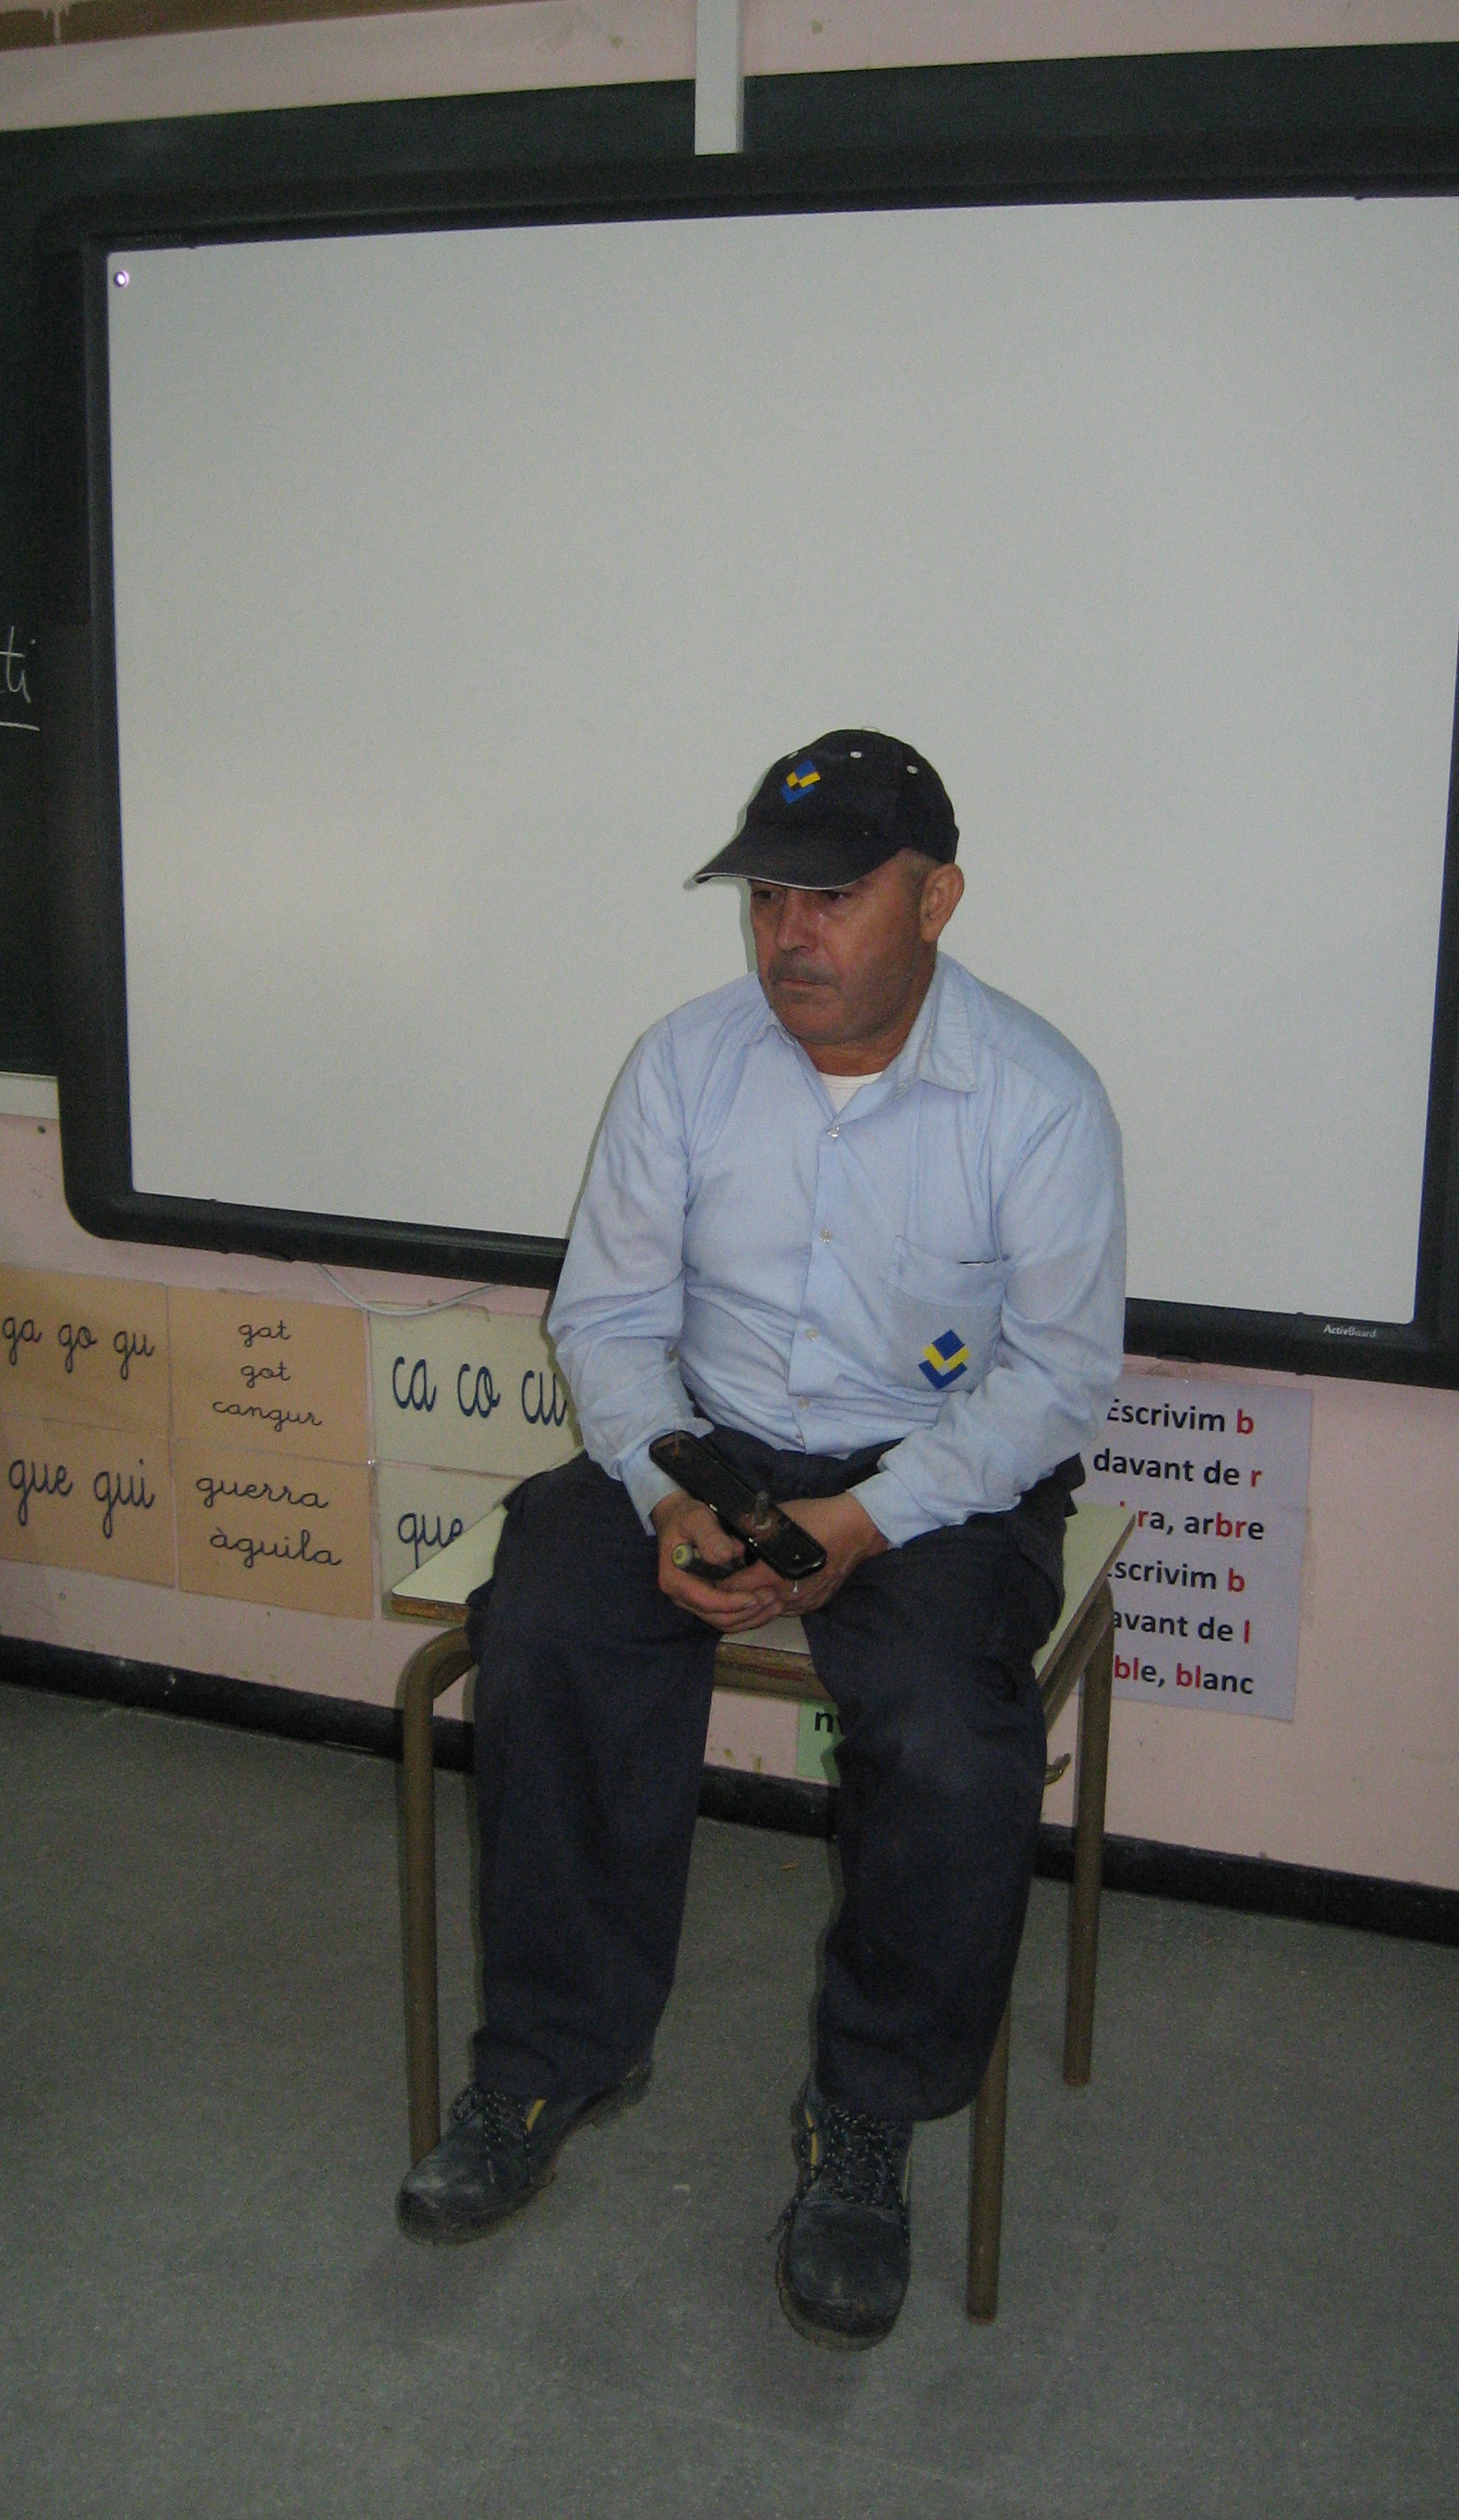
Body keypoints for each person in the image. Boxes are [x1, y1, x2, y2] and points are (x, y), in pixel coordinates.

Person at [397, 728, 1126, 2349]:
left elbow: (1058, 1380)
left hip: (935, 1474)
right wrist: (666, 1495)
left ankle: (866, 2115)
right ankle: (556, 2056)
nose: (789, 934)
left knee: (947, 1736)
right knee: (548, 1626)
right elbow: (607, 1320)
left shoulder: (1038, 1097)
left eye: (833, 897)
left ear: (937, 899)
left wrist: (863, 1520)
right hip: (704, 1441)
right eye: (767, 898)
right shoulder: (685, 1063)